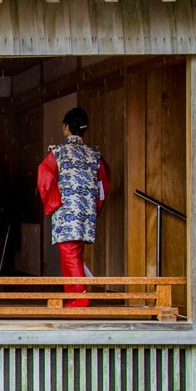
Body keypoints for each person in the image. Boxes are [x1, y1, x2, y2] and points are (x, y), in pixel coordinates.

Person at [36, 107, 111, 307]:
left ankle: (80, 297)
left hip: (66, 210)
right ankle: (74, 296)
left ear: (66, 127)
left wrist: (53, 202)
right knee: (74, 252)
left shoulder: (58, 152)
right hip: (86, 211)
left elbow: (45, 178)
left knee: (69, 253)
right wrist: (94, 206)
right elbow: (103, 184)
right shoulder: (94, 155)